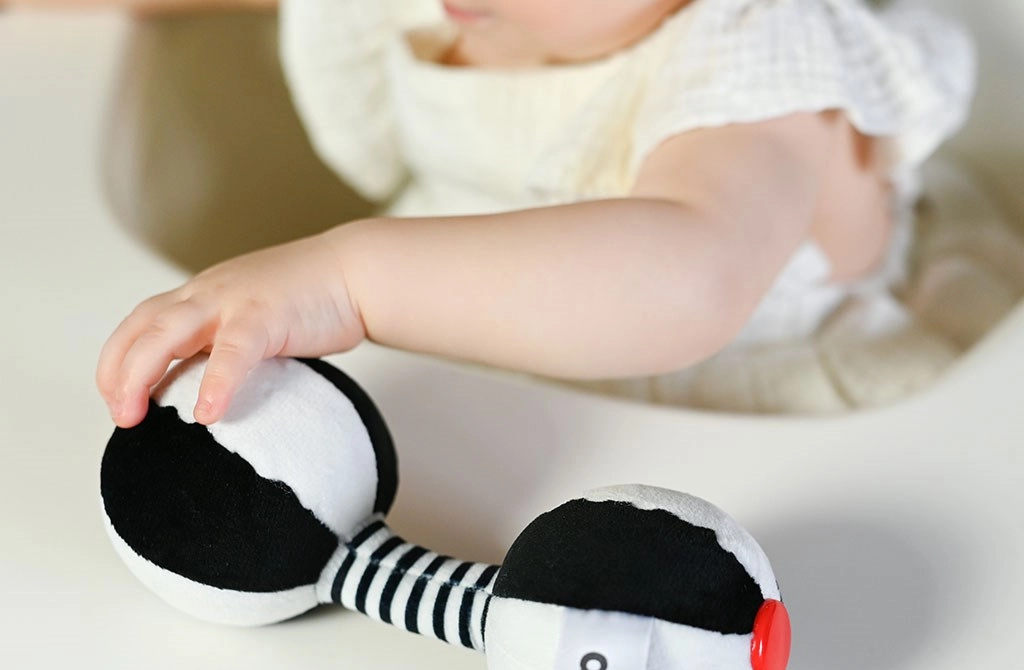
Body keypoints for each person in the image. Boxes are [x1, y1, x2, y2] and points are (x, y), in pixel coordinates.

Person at [94, 0, 987, 423]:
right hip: (481, 373)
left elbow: (694, 277)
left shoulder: (759, 50)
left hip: (727, 424)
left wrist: (347, 279)